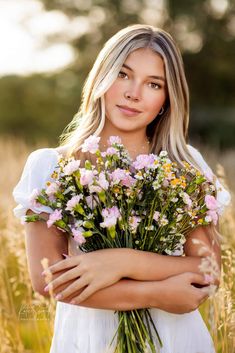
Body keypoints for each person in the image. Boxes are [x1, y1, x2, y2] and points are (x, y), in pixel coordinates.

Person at [12, 24, 231, 353]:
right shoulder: (51, 166)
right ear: (102, 78)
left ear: (166, 99)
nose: (134, 93)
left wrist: (120, 261)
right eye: (123, 75)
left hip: (175, 338)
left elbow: (207, 268)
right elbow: (48, 281)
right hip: (90, 338)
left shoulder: (184, 165)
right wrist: (155, 294)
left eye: (153, 83)